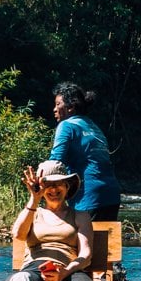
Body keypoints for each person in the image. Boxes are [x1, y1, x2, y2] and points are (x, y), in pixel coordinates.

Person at [50, 82, 121, 220]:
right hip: (111, 195)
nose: (54, 109)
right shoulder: (94, 127)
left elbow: (55, 163)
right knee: (103, 241)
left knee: (83, 240)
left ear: (70, 107)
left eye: (58, 104)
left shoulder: (66, 125)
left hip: (88, 195)